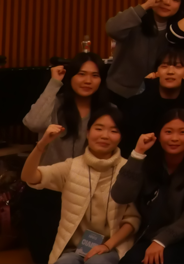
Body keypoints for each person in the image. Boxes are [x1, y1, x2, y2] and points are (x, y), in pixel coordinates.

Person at [22, 52, 113, 264]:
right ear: (70, 76)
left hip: (86, 195)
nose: (88, 81)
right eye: (81, 74)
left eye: (95, 75)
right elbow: (33, 123)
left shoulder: (108, 112)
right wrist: (54, 83)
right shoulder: (55, 104)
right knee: (47, 257)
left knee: (81, 256)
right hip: (47, 192)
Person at [20, 106, 141, 264]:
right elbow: (29, 176)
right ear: (88, 132)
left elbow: (132, 219)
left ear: (120, 137)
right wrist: (41, 145)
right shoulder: (72, 167)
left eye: (113, 131)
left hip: (113, 248)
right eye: (99, 129)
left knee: (96, 263)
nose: (105, 136)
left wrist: (106, 245)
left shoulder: (128, 170)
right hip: (75, 249)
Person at [112, 108, 184, 264]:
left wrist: (161, 241)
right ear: (158, 135)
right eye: (168, 132)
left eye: (182, 132)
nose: (174, 138)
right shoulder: (148, 163)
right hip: (149, 236)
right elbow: (121, 196)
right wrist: (138, 153)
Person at [104, 0, 184, 101]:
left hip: (158, 96)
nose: (167, 2)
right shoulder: (134, 19)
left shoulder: (178, 31)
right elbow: (112, 29)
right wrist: (146, 5)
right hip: (119, 92)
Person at [121, 48, 184, 156]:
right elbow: (133, 137)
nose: (170, 72)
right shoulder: (133, 104)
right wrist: (150, 91)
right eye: (164, 66)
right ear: (156, 72)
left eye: (178, 66)